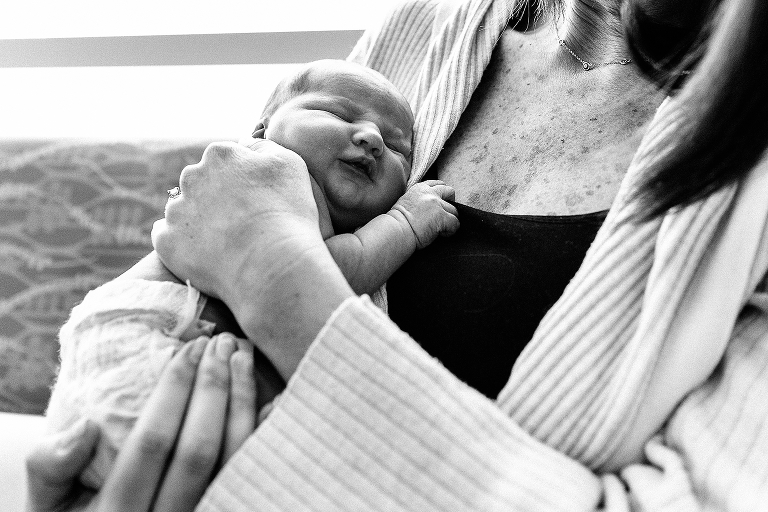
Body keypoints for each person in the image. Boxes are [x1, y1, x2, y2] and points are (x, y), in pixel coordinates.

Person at [30, 0, 768, 510]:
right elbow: (204, 267)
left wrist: (278, 279)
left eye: (395, 146)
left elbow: (261, 248)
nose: (373, 142)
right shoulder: (423, 29)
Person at [42, 58, 458, 489]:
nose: (372, 139)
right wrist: (404, 223)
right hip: (146, 341)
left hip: (146, 373)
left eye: (397, 149)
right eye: (337, 113)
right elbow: (324, 277)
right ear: (262, 130)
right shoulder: (270, 168)